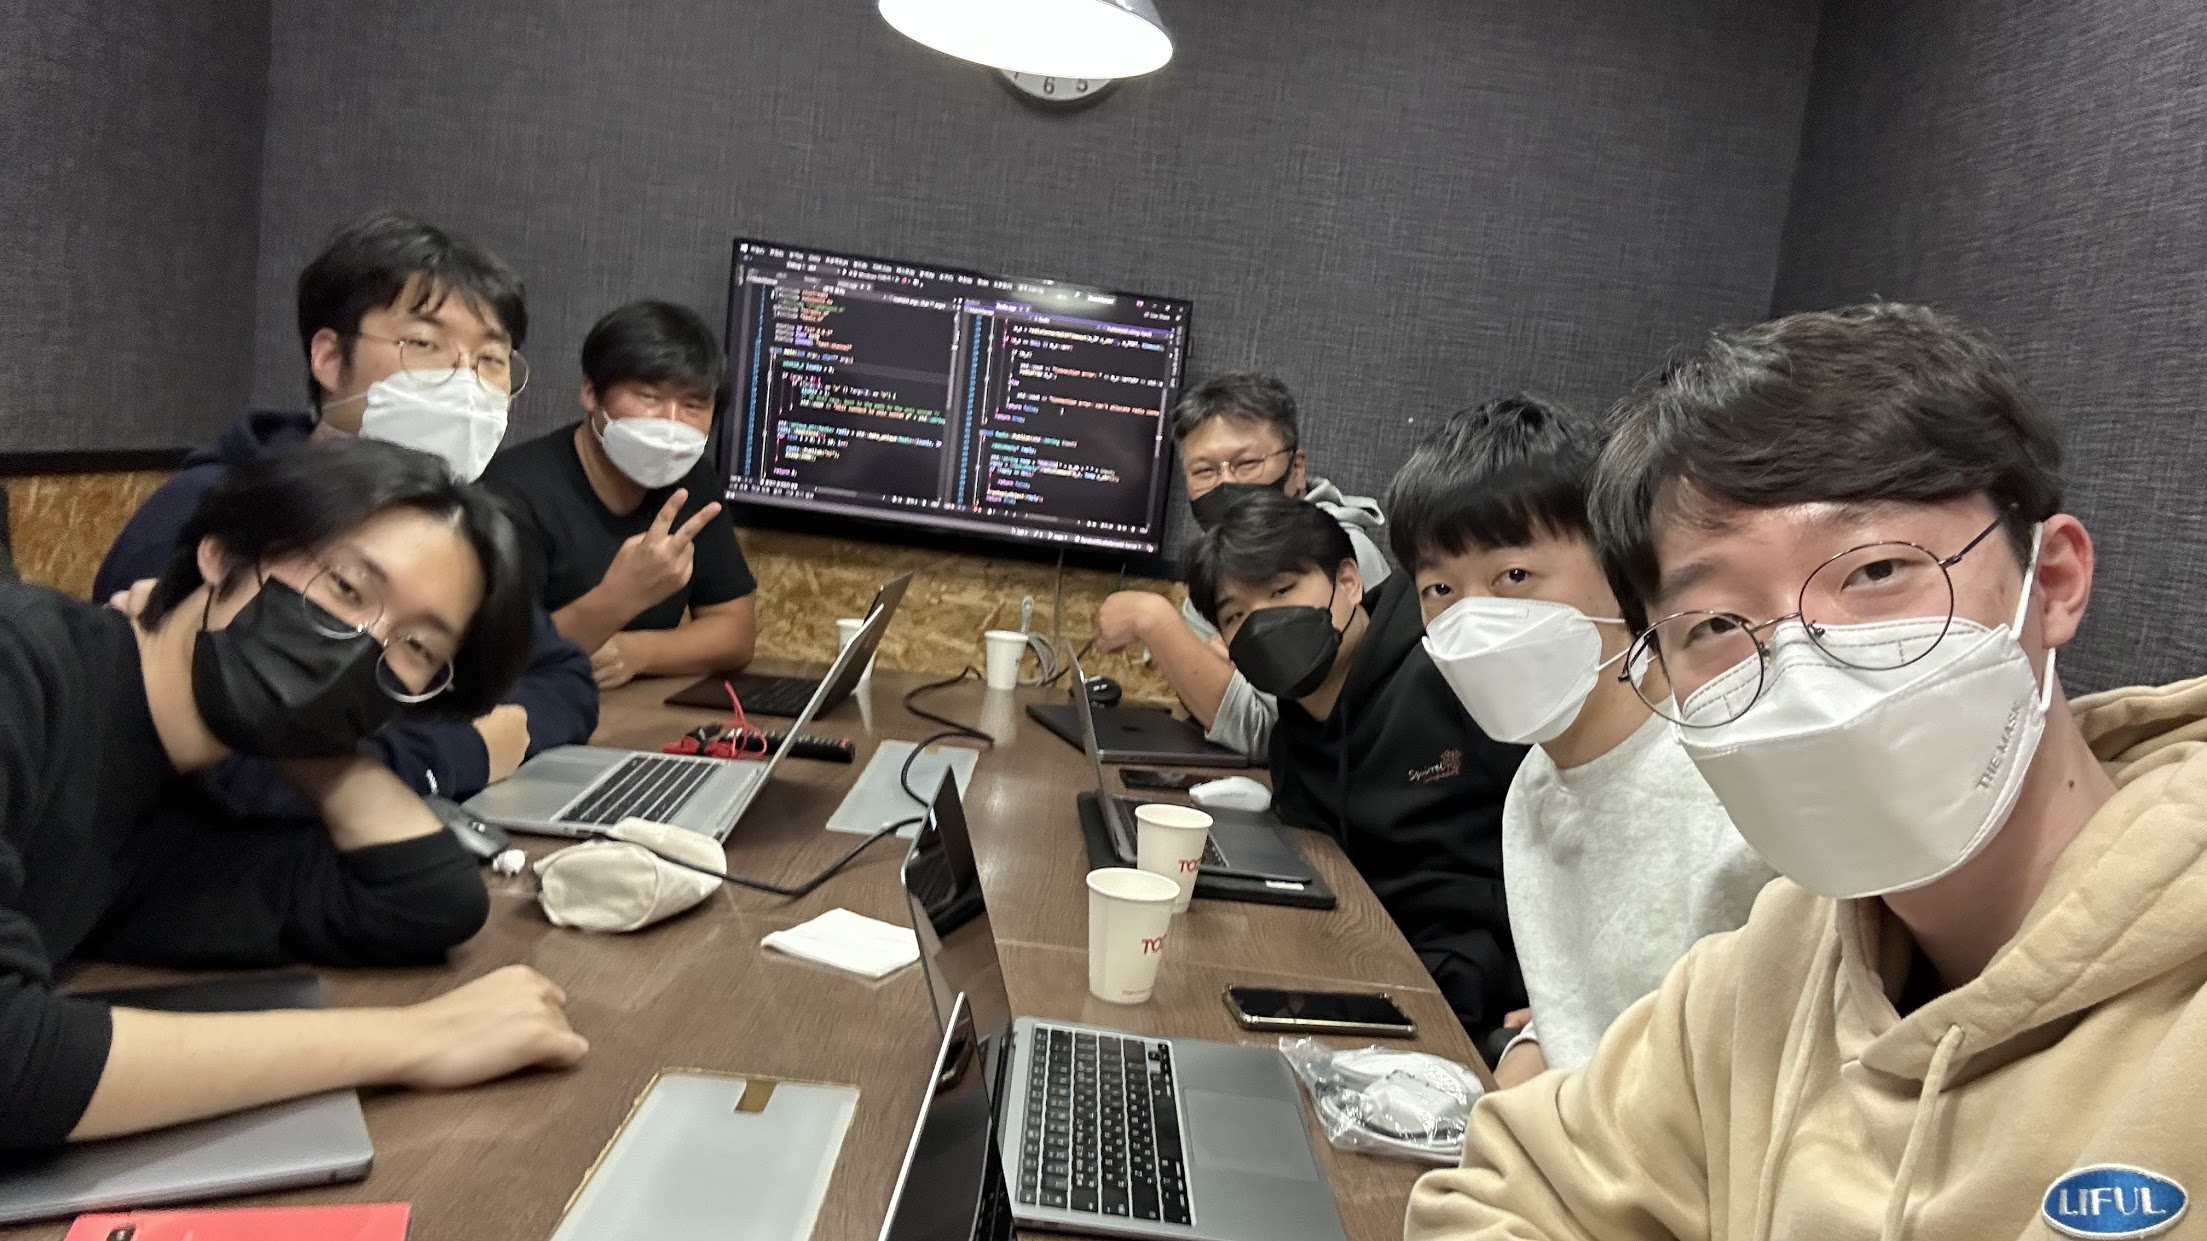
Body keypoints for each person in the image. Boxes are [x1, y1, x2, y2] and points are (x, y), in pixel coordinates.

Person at [1408, 303, 2207, 1240]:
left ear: (2055, 580)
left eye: (1873, 572)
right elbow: (1498, 1192)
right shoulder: (1769, 968)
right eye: (1716, 623)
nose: (1800, 662)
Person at [1, 439, 588, 1151]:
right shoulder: (23, 666)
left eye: (416, 648)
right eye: (345, 587)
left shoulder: (168, 804)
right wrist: (420, 1038)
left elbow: (423, 903)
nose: (364, 644)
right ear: (224, 554)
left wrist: (309, 739)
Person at [95, 210, 596, 809]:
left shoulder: (450, 538)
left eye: (491, 359)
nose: (465, 385)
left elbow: (566, 680)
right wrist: (468, 749)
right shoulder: (215, 510)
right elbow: (225, 771)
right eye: (424, 344)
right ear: (330, 358)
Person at [1386, 393, 1775, 1087]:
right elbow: (1584, 1023)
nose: (1473, 620)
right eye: (1439, 588)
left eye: (1513, 576)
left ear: (1621, 569)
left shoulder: (1731, 785)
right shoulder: (1534, 787)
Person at [1187, 489, 1525, 1047]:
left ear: (1348, 581)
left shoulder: (1452, 671)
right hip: (1353, 963)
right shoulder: (1294, 725)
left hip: (1466, 993)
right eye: (1236, 615)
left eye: (1282, 591)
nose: (1263, 623)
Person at [1094, 374, 1386, 759]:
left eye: (1246, 463)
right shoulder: (1218, 570)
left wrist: (1154, 620)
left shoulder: (1336, 554)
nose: (1226, 485)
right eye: (1205, 471)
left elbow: (1273, 735)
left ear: (1296, 468)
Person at [482, 300, 757, 690]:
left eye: (693, 405)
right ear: (591, 392)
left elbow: (736, 632)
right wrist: (620, 597)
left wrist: (638, 652)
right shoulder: (511, 492)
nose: (671, 423)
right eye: (649, 397)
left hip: (629, 710)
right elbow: (492, 659)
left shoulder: (692, 481)